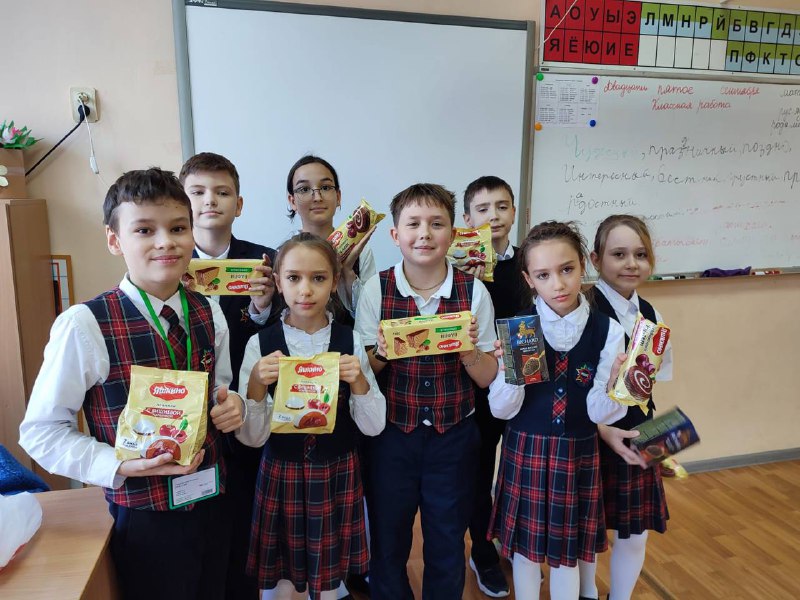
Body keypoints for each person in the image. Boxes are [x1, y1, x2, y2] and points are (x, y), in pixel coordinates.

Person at [19, 168, 264, 600]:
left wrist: (235, 407)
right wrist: (115, 464)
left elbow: (222, 388)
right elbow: (41, 431)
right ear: (115, 240)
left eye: (178, 228)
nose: (165, 242)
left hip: (213, 498)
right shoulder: (84, 324)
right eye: (145, 230)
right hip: (145, 517)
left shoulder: (209, 310)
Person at [354, 183, 498, 599]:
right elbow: (364, 373)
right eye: (413, 224)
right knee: (388, 539)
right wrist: (381, 354)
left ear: (452, 234)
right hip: (391, 437)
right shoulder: (376, 289)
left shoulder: (474, 292)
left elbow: (487, 377)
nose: (424, 233)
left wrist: (469, 350)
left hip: (453, 439)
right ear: (395, 234)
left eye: (436, 224)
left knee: (447, 539)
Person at [237, 233, 386, 600]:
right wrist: (256, 383)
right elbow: (251, 438)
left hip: (336, 471)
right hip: (281, 473)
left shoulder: (350, 341)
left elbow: (374, 426)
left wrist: (359, 380)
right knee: (281, 584)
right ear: (278, 282)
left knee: (329, 579)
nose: (305, 290)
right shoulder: (260, 344)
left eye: (318, 278)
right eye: (293, 278)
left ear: (334, 282)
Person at [487, 221, 627, 600]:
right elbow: (501, 409)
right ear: (529, 279)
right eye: (543, 275)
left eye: (567, 269)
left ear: (582, 264)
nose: (558, 284)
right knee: (525, 555)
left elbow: (600, 412)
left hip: (577, 452)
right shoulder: (519, 328)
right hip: (526, 450)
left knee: (568, 557)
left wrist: (617, 385)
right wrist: (512, 374)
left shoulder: (608, 331)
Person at [179, 151, 278, 600]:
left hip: (251, 404)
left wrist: (261, 307)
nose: (210, 201)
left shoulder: (264, 261)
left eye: (222, 192)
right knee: (195, 530)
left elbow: (283, 332)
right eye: (197, 192)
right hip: (190, 413)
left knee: (246, 520)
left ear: (239, 204)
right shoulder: (169, 262)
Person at [582, 215, 672, 600]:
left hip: (637, 433)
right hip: (589, 436)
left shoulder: (652, 314)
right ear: (595, 259)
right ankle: (586, 593)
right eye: (619, 254)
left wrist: (660, 439)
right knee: (586, 532)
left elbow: (652, 381)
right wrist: (602, 428)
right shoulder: (581, 310)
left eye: (641, 254)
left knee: (634, 534)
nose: (631, 263)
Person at [461, 175, 531, 597]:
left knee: (520, 468)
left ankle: (516, 541)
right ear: (467, 218)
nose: (494, 216)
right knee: (479, 470)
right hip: (478, 383)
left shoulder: (530, 260)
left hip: (526, 378)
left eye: (502, 207)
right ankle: (482, 551)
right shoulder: (457, 266)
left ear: (514, 212)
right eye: (483, 209)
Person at [285, 155, 376, 327]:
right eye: (304, 189)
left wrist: (347, 273)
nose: (317, 197)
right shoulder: (285, 254)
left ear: (338, 196)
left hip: (350, 343)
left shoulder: (361, 251)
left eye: (326, 187)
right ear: (292, 201)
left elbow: (371, 316)